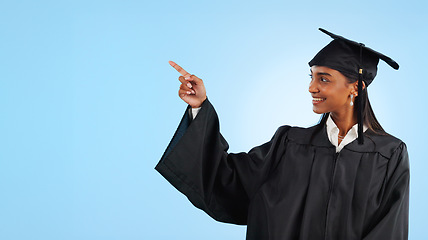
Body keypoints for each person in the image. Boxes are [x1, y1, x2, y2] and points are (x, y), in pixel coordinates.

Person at [155, 28, 409, 240]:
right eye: (311, 77)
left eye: (324, 79)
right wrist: (199, 107)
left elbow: (390, 230)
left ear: (356, 86)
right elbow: (228, 181)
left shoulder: (388, 155)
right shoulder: (290, 144)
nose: (311, 87)